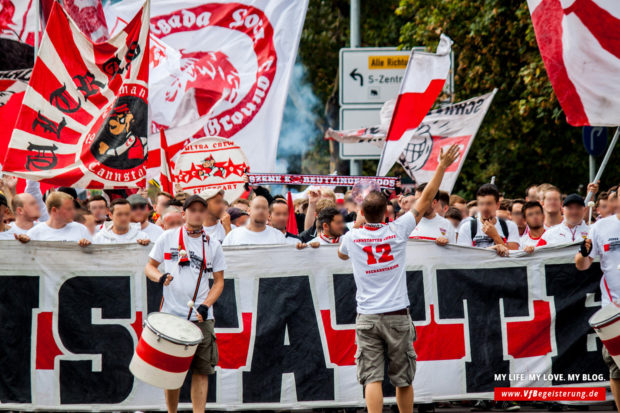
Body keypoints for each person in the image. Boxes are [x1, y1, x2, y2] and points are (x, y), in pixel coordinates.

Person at [337, 144, 460, 413]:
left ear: (363, 213)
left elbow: (342, 254)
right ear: (387, 213)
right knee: (403, 379)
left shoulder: (352, 237)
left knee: (372, 378)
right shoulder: (398, 229)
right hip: (397, 315)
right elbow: (426, 199)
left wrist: (358, 225)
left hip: (367, 316)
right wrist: (441, 166)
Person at [145, 194, 225, 413]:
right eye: (192, 209)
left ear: (205, 213)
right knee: (172, 372)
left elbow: (219, 282)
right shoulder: (168, 237)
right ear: (184, 213)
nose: (197, 213)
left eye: (201, 210)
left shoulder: (213, 243)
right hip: (171, 316)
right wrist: (160, 277)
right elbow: (149, 267)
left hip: (201, 317)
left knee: (201, 371)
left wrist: (205, 305)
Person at [575, 196, 620, 412]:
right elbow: (583, 265)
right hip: (614, 310)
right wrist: (582, 253)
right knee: (617, 369)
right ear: (616, 201)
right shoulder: (601, 227)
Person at [457, 184, 519, 256]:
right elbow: (464, 256)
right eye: (481, 204)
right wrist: (491, 249)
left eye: (489, 204)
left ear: (497, 205)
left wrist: (495, 236)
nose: (484, 208)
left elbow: (514, 257)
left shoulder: (510, 226)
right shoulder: (467, 227)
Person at [17, 192, 91, 246]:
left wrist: (86, 247)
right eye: (68, 209)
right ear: (54, 210)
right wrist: (22, 242)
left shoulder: (81, 229)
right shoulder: (34, 233)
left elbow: (94, 256)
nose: (73, 212)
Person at [223, 196, 287, 246]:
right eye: (257, 207)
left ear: (268, 213)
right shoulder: (234, 235)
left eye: (264, 208)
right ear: (249, 211)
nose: (261, 211)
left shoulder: (278, 236)